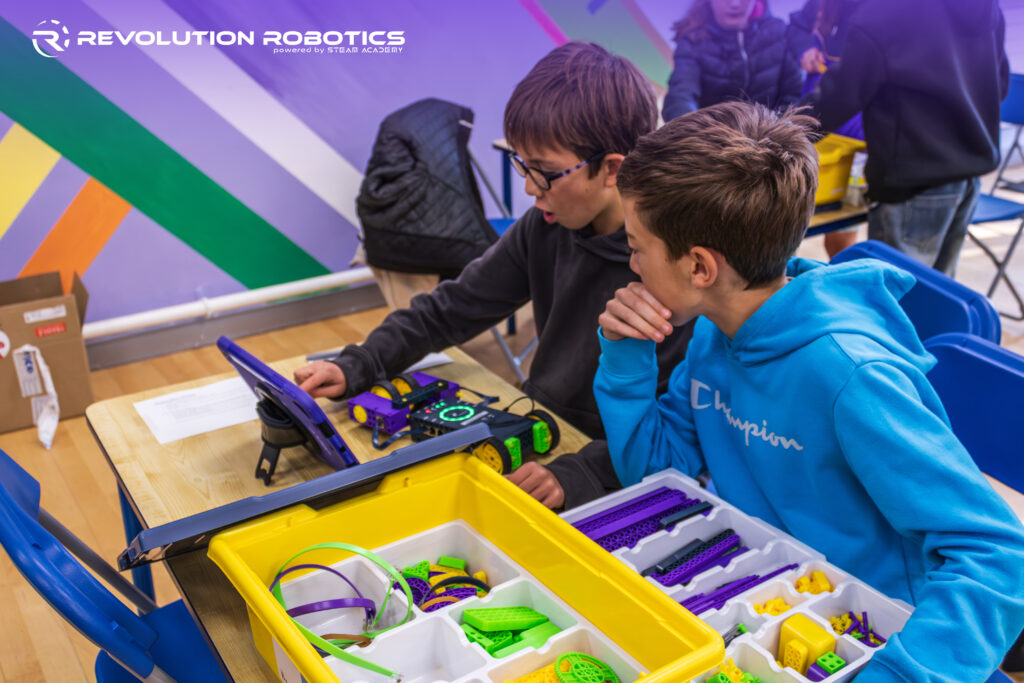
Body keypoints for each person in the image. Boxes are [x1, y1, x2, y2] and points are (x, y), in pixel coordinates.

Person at [594, 100, 1024, 681]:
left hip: (873, 637)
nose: (632, 264)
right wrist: (626, 357)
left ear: (699, 267)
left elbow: (997, 556)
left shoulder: (851, 375)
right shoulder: (713, 333)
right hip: (771, 601)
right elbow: (658, 474)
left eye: (636, 246)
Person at [294, 42, 693, 508]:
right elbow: (450, 309)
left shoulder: (670, 267)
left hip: (616, 474)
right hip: (542, 429)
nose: (528, 187)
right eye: (521, 164)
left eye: (543, 172)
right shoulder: (545, 228)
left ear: (611, 169)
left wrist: (582, 471)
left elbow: (677, 425)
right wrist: (358, 363)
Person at [806, 0, 1008, 275]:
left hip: (913, 183)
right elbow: (1000, 85)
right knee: (935, 297)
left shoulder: (886, 12)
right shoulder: (982, 6)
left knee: (897, 303)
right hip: (967, 178)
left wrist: (783, 131)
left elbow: (842, 95)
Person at [787, 0, 864, 259]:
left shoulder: (886, 12)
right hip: (814, 120)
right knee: (786, 226)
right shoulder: (821, 6)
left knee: (841, 230)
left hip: (854, 132)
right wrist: (804, 49)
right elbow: (797, 26)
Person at [662, 0, 802, 123]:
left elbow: (793, 96)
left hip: (771, 139)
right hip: (712, 139)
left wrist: (779, 134)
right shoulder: (693, 40)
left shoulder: (778, 32)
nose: (735, 4)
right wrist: (694, 136)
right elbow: (681, 96)